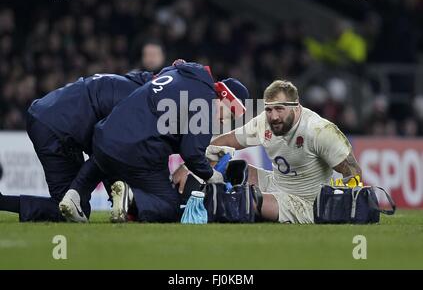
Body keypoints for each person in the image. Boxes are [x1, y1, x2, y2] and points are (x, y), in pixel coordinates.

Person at [59, 61, 249, 223]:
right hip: (138, 150)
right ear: (225, 98)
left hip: (105, 132)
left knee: (103, 158)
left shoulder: (181, 73)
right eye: (230, 113)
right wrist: (211, 175)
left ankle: (75, 193)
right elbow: (191, 153)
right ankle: (131, 197)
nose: (225, 120)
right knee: (170, 204)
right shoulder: (206, 103)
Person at [178, 80, 362, 224]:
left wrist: (342, 202)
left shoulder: (319, 131)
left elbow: (353, 171)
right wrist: (189, 166)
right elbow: (226, 141)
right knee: (227, 167)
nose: (273, 116)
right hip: (276, 183)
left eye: (280, 109)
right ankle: (186, 201)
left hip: (304, 203)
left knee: (244, 201)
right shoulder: (264, 123)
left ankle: (198, 210)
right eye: (269, 109)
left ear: (296, 107)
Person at [0, 70, 153, 222]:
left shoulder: (130, 83)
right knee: (69, 210)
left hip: (49, 117)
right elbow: (107, 153)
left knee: (75, 205)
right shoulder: (139, 104)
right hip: (57, 127)